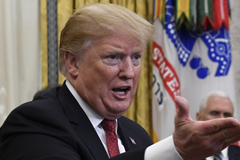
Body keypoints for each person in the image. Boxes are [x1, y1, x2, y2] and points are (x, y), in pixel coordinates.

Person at [1, 3, 240, 160]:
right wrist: (173, 150)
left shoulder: (136, 134)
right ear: (73, 63)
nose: (129, 72)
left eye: (136, 57)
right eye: (113, 57)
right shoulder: (34, 122)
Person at [196, 91, 240, 160]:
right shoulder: (183, 155)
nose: (222, 119)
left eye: (227, 115)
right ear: (199, 117)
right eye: (215, 113)